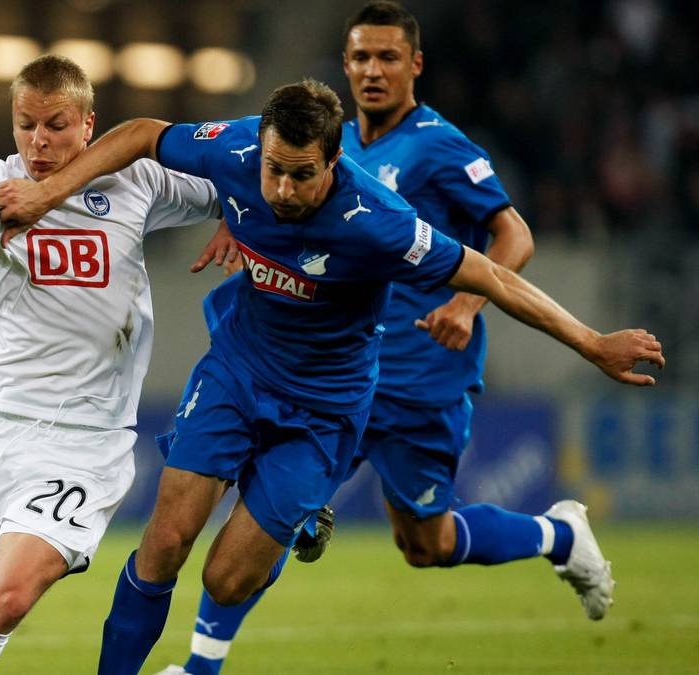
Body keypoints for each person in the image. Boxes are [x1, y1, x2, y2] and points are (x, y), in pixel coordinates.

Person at [0, 78, 664, 674]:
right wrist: (51, 191)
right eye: (274, 171)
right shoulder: (235, 152)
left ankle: (537, 533)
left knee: (229, 580)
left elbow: (490, 270)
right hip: (236, 371)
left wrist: (591, 341)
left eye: (301, 176)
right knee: (165, 540)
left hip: (322, 409)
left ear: (334, 163)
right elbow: (143, 135)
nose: (282, 190)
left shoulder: (377, 222)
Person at [155, 3, 631, 672]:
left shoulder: (441, 145)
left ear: (415, 65)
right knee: (268, 506)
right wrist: (245, 220)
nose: (372, 71)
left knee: (425, 542)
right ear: (345, 65)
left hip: (419, 370)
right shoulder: (327, 141)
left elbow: (512, 236)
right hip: (334, 372)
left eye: (386, 58)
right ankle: (201, 665)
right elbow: (283, 194)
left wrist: (466, 306)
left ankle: (557, 533)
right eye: (360, 58)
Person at [0, 55, 227, 674]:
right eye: (26, 125)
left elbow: (240, 184)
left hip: (83, 440)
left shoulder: (139, 181)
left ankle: (12, 576)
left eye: (55, 125)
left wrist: (242, 227)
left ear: (88, 124)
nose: (39, 141)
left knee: (7, 600)